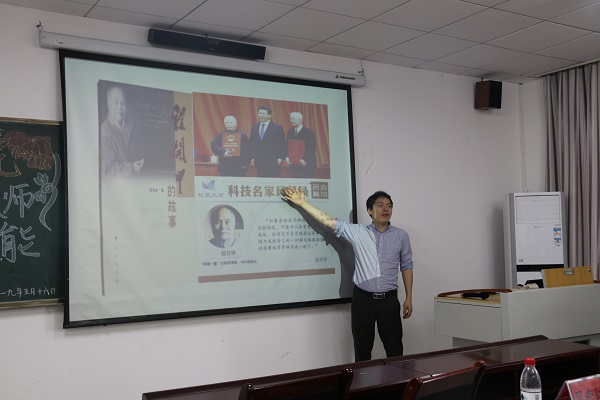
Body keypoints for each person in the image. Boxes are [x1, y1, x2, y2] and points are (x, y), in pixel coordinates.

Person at [281, 186, 413, 361]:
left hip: (389, 302)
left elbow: (407, 266)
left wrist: (409, 297)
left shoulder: (401, 236)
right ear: (370, 210)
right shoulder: (358, 232)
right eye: (380, 205)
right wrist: (302, 203)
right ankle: (363, 380)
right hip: (363, 301)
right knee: (362, 351)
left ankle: (397, 380)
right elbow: (328, 221)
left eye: (389, 205)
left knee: (395, 350)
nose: (385, 209)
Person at [100, 85, 144, 178]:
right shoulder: (104, 133)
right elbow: (108, 171)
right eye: (116, 102)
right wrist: (133, 168)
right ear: (108, 103)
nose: (119, 107)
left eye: (123, 103)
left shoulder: (131, 126)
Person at [248, 106, 286, 177]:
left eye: (264, 114)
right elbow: (252, 143)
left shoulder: (277, 127)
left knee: (272, 180)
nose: (261, 115)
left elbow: (282, 143)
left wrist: (280, 158)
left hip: (273, 160)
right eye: (260, 113)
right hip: (258, 160)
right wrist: (252, 157)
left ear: (269, 115)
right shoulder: (254, 126)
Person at [286, 112, 316, 178]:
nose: (291, 120)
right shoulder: (290, 131)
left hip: (306, 165)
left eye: (293, 119)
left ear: (300, 119)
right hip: (294, 165)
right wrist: (287, 157)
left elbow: (312, 148)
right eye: (290, 118)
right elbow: (288, 146)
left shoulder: (308, 132)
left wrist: (305, 159)